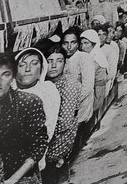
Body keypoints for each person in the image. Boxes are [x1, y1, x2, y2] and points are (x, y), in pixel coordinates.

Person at [0, 52, 49, 184]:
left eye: (5, 75)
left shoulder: (29, 103)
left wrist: (14, 179)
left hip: (24, 177)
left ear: (13, 77)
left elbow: (39, 144)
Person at [14, 48, 61, 170]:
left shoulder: (47, 91)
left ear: (42, 68)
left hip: (34, 160)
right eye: (21, 65)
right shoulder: (8, 94)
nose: (27, 69)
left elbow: (47, 130)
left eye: (34, 64)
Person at [41, 45, 80, 184]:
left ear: (65, 63)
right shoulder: (44, 83)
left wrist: (38, 133)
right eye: (49, 60)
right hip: (47, 140)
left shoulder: (69, 84)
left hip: (58, 142)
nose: (53, 65)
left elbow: (64, 122)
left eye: (59, 61)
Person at [60, 27, 97, 152]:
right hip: (67, 103)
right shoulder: (62, 59)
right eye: (65, 43)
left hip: (81, 102)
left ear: (78, 44)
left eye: (73, 42)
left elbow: (88, 86)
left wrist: (72, 104)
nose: (69, 47)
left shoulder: (84, 58)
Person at [79, 29, 109, 127]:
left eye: (86, 43)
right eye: (82, 43)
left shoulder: (95, 60)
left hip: (96, 96)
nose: (83, 47)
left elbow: (90, 86)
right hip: (93, 92)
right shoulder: (91, 56)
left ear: (94, 44)